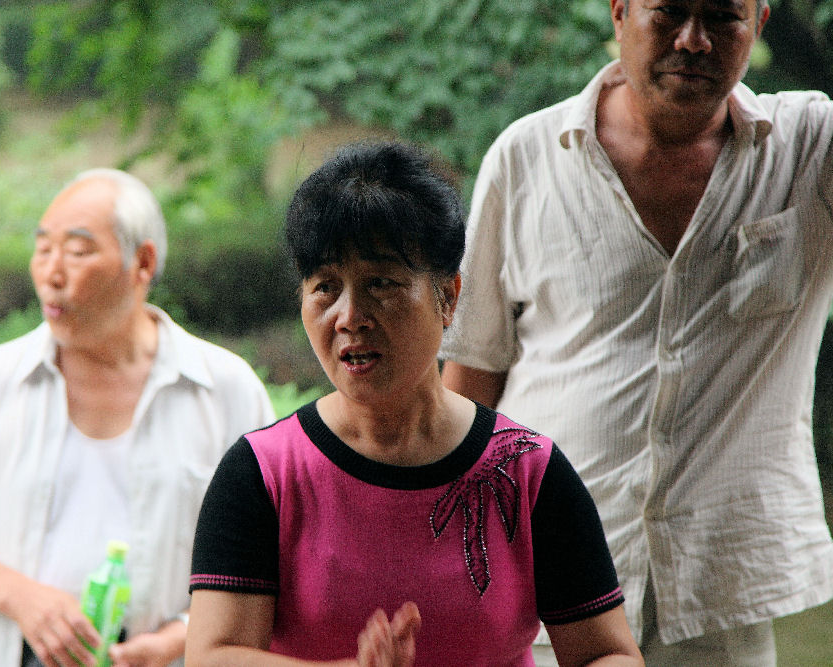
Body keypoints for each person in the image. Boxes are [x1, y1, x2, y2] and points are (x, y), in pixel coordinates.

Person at [440, 1, 833, 665]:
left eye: (722, 18)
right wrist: (450, 556)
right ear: (620, 11)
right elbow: (471, 377)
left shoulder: (808, 150)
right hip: (542, 581)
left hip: (719, 594)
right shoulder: (529, 157)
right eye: (669, 13)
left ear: (759, 24)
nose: (693, 41)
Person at [185, 141, 644, 666]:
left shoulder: (527, 471)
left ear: (448, 297)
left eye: (380, 283)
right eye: (325, 287)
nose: (349, 316)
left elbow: (609, 654)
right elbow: (214, 656)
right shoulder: (263, 474)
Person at [0, 168, 275, 667]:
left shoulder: (226, 388)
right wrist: (26, 601)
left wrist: (176, 640)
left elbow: (263, 561)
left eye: (76, 252)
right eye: (42, 249)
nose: (51, 273)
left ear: (142, 262)